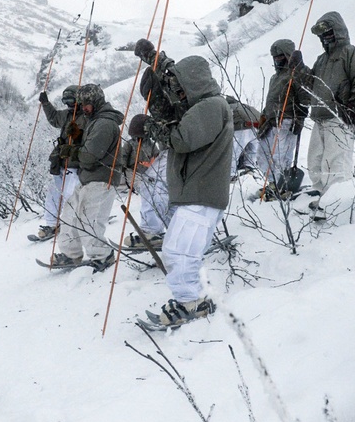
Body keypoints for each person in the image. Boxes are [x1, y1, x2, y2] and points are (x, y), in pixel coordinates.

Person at [140, 55, 233, 326]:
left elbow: (180, 139)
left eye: (181, 88)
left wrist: (148, 126)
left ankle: (189, 303)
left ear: (193, 83)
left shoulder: (210, 106)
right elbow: (178, 124)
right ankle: (193, 300)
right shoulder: (202, 107)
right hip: (197, 193)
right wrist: (156, 71)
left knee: (179, 251)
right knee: (180, 250)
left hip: (201, 193)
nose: (177, 94)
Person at [52, 83, 124, 270]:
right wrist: (75, 136)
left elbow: (90, 155)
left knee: (89, 220)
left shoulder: (104, 124)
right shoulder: (93, 120)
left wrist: (72, 151)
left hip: (102, 178)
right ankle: (71, 253)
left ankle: (102, 256)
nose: (83, 108)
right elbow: (85, 142)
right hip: (88, 177)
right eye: (81, 104)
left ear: (97, 101)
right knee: (70, 215)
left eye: (87, 104)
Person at [306, 12, 355, 218]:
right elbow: (310, 84)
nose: (326, 37)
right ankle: (322, 195)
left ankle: (337, 203)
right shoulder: (321, 59)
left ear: (338, 31)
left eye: (329, 32)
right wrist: (297, 68)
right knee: (315, 160)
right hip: (319, 115)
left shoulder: (351, 52)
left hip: (340, 114)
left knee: (337, 160)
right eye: (322, 34)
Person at [257, 39, 310, 200]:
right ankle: (272, 182)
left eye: (281, 56)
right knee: (263, 155)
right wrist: (264, 115)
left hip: (287, 121)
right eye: (275, 57)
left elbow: (305, 97)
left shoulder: (297, 73)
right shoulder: (275, 77)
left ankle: (282, 185)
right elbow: (271, 99)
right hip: (271, 122)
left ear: (288, 55)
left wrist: (300, 117)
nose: (277, 60)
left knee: (280, 157)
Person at [34, 85, 86, 241]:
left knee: (71, 194)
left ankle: (79, 221)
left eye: (71, 100)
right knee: (53, 193)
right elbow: (54, 118)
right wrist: (45, 104)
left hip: (76, 162)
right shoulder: (66, 115)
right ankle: (52, 224)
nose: (69, 104)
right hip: (61, 161)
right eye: (66, 101)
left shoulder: (87, 117)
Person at [119, 114, 170, 250]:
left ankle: (155, 231)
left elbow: (157, 155)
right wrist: (123, 167)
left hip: (149, 172)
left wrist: (152, 162)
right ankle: (151, 230)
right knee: (148, 196)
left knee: (156, 197)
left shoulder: (151, 144)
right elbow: (123, 156)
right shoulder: (130, 144)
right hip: (135, 172)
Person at [226, 95, 262, 179]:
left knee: (234, 152)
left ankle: (231, 174)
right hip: (258, 127)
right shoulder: (245, 106)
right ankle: (249, 167)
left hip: (243, 127)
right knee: (252, 150)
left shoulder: (228, 107)